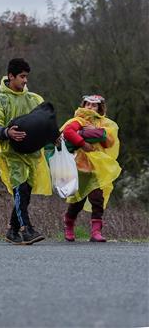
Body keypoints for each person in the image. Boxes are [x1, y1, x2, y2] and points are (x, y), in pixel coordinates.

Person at [0, 58, 52, 245]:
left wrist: (54, 135)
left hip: (32, 154)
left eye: (27, 76)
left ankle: (12, 230)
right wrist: (6, 132)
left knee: (25, 191)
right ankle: (25, 228)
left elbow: (45, 122)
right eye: (22, 76)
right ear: (11, 76)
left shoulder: (34, 99)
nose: (25, 80)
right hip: (11, 154)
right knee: (20, 187)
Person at [61, 94, 121, 242]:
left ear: (100, 107)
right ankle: (69, 225)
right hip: (79, 166)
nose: (90, 107)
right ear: (83, 105)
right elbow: (66, 133)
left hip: (97, 167)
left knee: (97, 199)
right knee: (77, 201)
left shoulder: (106, 123)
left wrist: (95, 130)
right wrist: (83, 140)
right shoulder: (77, 120)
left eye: (94, 105)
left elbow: (109, 142)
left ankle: (96, 232)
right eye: (88, 104)